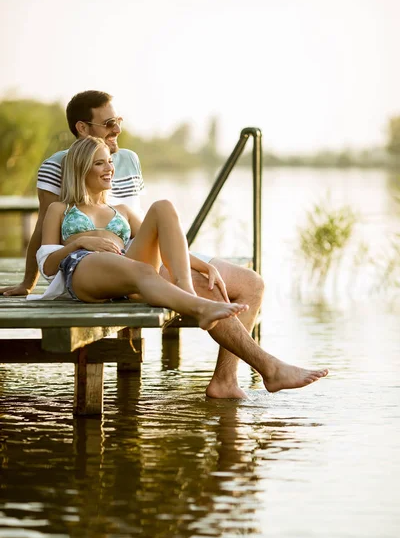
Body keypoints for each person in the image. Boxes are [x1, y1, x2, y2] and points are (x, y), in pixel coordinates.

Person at [1, 90, 327, 397]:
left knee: (251, 283)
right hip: (104, 265)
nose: (117, 129)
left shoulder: (127, 160)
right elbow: (45, 233)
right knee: (199, 288)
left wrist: (200, 262)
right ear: (83, 127)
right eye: (109, 123)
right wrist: (29, 283)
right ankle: (267, 367)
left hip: (146, 249)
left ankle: (226, 381)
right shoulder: (59, 168)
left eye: (120, 121)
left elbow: (146, 226)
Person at [33, 136, 248, 335]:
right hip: (84, 269)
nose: (109, 168)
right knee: (143, 271)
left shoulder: (122, 210)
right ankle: (201, 308)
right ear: (81, 169)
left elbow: (167, 244)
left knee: (163, 207)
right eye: (100, 163)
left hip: (126, 266)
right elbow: (48, 267)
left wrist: (204, 266)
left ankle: (187, 291)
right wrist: (79, 243)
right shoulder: (60, 209)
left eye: (110, 161)